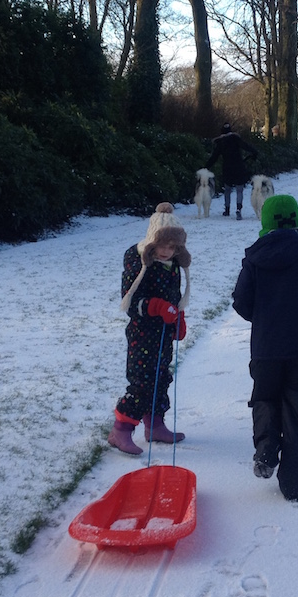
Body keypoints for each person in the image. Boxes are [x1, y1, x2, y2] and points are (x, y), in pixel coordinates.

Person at [231, 194, 298, 501]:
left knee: (265, 398)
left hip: (265, 351)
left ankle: (267, 446)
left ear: (264, 223)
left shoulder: (254, 261)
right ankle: (293, 478)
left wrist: (264, 318)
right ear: (297, 222)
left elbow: (241, 302)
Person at [110, 203, 191, 455]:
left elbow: (174, 296)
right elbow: (131, 301)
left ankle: (155, 425)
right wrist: (157, 306)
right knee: (143, 381)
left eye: (173, 247)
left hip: (163, 333)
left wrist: (178, 318)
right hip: (142, 333)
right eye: (162, 245)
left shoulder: (173, 265)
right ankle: (121, 430)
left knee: (160, 378)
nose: (167, 251)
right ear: (152, 242)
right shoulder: (139, 263)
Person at [205, 123, 258, 219]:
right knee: (239, 190)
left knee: (227, 189)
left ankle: (227, 209)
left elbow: (214, 157)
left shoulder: (220, 143)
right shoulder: (236, 139)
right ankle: (238, 209)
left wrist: (206, 166)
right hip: (239, 167)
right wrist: (254, 153)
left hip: (227, 168)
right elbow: (246, 146)